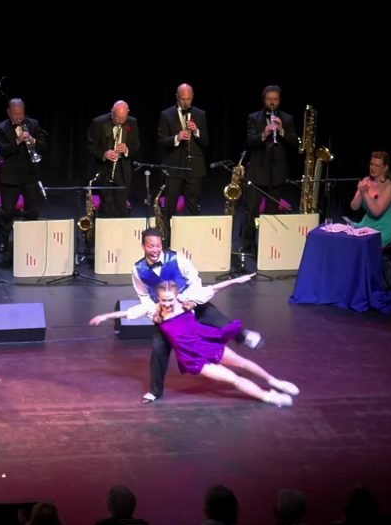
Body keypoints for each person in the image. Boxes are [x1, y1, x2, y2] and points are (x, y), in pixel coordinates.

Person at [91, 275, 298, 407]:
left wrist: (235, 281)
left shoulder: (185, 302)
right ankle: (268, 396)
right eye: (163, 300)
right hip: (193, 358)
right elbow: (128, 313)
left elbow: (214, 289)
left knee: (242, 362)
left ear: (176, 296)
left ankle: (274, 380)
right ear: (158, 298)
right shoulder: (153, 310)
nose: (167, 304)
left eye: (170, 300)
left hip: (207, 343)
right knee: (232, 379)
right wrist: (106, 316)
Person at [124, 228, 264, 404]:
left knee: (220, 321)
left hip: (190, 301)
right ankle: (155, 391)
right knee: (158, 349)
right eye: (151, 246)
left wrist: (191, 301)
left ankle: (244, 336)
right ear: (143, 246)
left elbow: (194, 280)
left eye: (158, 246)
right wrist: (154, 312)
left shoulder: (177, 257)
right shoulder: (138, 269)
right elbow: (143, 295)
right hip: (167, 313)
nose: (155, 250)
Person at [244, 85, 298, 250]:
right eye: (269, 99)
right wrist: (264, 133)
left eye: (275, 99)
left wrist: (281, 131)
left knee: (272, 212)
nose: (272, 103)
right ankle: (247, 245)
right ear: (264, 100)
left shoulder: (287, 119)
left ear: (279, 100)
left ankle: (268, 247)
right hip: (257, 172)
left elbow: (295, 143)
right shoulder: (254, 118)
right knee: (251, 211)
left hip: (277, 174)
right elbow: (249, 142)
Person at [0, 98, 47, 256]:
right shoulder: (1, 128)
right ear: (9, 112)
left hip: (30, 174)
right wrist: (17, 141)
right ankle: (3, 241)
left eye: (21, 114)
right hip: (10, 177)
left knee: (32, 210)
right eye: (15, 114)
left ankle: (31, 239)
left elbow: (44, 145)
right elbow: (2, 150)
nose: (19, 117)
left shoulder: (33, 124)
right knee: (7, 212)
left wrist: (33, 140)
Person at [157, 84, 209, 237]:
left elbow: (206, 141)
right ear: (177, 97)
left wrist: (196, 131)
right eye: (183, 99)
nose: (186, 102)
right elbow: (161, 141)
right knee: (170, 205)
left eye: (189, 99)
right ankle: (167, 238)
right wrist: (176, 138)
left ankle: (191, 238)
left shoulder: (200, 114)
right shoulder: (166, 115)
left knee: (192, 204)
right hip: (174, 167)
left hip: (194, 167)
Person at [87, 100, 140, 218]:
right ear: (112, 112)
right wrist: (104, 154)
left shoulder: (132, 122)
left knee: (121, 208)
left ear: (128, 113)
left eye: (123, 118)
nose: (120, 121)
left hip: (122, 172)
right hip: (104, 171)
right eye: (117, 117)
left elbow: (136, 145)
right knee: (106, 208)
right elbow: (90, 145)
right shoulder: (98, 122)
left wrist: (126, 150)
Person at [350, 151, 391, 247]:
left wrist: (365, 193)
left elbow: (377, 212)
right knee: (349, 239)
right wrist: (360, 192)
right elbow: (354, 207)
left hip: (385, 228)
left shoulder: (389, 186)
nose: (372, 168)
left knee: (361, 245)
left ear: (385, 168)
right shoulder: (366, 180)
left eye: (377, 165)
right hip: (367, 224)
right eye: (371, 164)